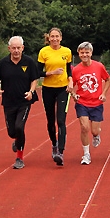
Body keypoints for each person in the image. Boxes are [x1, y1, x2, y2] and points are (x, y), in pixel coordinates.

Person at [0, 36, 39, 170]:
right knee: (12, 132)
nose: (16, 50)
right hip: (8, 102)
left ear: (23, 48)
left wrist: (31, 92)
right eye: (14, 48)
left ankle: (19, 157)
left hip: (24, 101)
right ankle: (17, 140)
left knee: (19, 127)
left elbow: (35, 79)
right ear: (9, 49)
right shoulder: (3, 63)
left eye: (19, 48)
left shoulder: (28, 62)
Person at [37, 28, 73, 166]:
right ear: (49, 38)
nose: (55, 39)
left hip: (63, 89)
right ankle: (54, 144)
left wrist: (70, 81)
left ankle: (61, 152)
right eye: (52, 36)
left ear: (61, 38)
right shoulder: (44, 52)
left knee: (61, 120)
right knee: (51, 121)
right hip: (48, 89)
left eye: (57, 36)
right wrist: (51, 72)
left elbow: (69, 69)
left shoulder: (67, 51)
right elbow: (38, 72)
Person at [71, 42, 110, 165]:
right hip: (82, 102)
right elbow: (71, 85)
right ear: (79, 54)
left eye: (87, 52)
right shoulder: (76, 69)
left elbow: (108, 80)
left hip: (97, 103)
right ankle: (86, 154)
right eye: (82, 52)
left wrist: (104, 93)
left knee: (94, 130)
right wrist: (74, 94)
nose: (84, 55)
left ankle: (96, 135)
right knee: (84, 128)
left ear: (91, 53)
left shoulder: (99, 66)